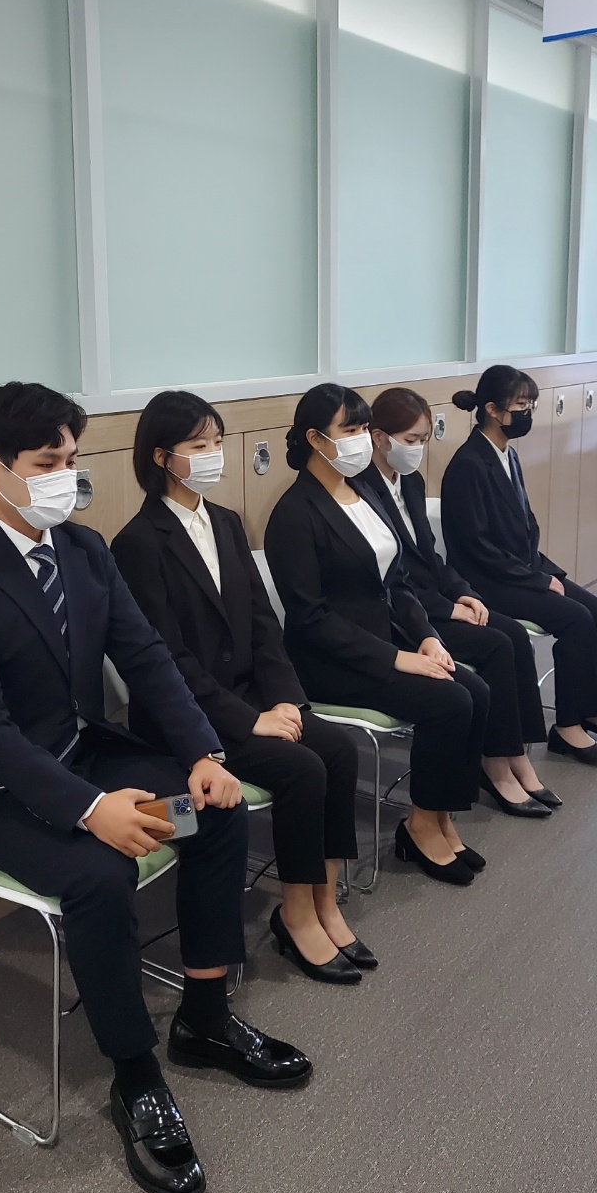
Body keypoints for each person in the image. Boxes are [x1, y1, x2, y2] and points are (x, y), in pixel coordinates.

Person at [0, 381, 311, 1193]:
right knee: (99, 874)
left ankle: (204, 1016)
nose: (67, 475)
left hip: (83, 752)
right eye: (46, 462)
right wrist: (92, 810)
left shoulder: (85, 551)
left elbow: (148, 659)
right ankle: (136, 1075)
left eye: (72, 457)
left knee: (215, 811)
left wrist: (202, 753)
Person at [113, 391, 373, 986]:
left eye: (217, 442)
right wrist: (248, 719)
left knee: (337, 749)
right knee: (302, 768)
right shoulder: (137, 543)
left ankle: (326, 900)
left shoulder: (227, 522)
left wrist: (284, 698)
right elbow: (165, 659)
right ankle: (296, 912)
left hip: (254, 699)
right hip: (191, 719)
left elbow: (262, 624)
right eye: (198, 445)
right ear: (161, 457)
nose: (213, 455)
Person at [264, 382, 489, 888]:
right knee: (450, 702)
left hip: (386, 642)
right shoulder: (294, 513)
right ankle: (420, 825)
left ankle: (439, 817)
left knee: (475, 689)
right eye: (351, 429)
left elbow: (397, 581)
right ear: (315, 439)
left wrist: (426, 637)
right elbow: (311, 618)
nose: (363, 439)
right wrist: (396, 659)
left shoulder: (363, 491)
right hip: (330, 662)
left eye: (365, 428)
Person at [364, 386, 559, 816]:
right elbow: (391, 579)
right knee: (497, 644)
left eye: (423, 439)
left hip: (431, 598)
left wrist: (463, 591)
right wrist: (445, 608)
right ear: (379, 438)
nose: (418, 449)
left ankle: (515, 754)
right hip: (406, 615)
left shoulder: (410, 482)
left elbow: (430, 556)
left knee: (511, 634)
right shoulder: (361, 490)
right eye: (410, 440)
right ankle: (496, 765)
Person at [441, 365, 597, 766]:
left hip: (520, 570)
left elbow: (524, 527)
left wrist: (545, 573)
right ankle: (567, 728)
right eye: (521, 405)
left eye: (530, 404)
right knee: (576, 619)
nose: (527, 413)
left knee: (595, 609)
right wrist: (536, 580)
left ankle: (592, 710)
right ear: (492, 409)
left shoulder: (506, 454)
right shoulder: (468, 464)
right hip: (487, 580)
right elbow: (476, 546)